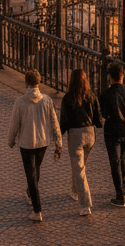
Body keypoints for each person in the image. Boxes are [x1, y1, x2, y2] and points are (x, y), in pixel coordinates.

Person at [7, 68, 62, 222]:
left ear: (26, 83)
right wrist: (58, 142)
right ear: (39, 82)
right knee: (36, 170)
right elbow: (54, 123)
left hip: (26, 143)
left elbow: (14, 123)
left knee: (31, 174)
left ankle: (37, 210)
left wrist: (11, 140)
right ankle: (31, 193)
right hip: (42, 142)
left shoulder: (20, 102)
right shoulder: (47, 100)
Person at [60, 68, 103, 216]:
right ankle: (74, 191)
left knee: (79, 169)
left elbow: (64, 121)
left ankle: (85, 204)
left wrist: (58, 135)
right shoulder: (91, 95)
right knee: (80, 166)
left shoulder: (68, 98)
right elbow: (98, 119)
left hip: (76, 135)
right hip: (90, 135)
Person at [99, 62, 125, 207]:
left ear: (110, 77)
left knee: (114, 162)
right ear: (122, 75)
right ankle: (124, 187)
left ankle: (120, 196)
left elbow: (104, 114)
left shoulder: (106, 94)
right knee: (122, 158)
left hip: (112, 131)